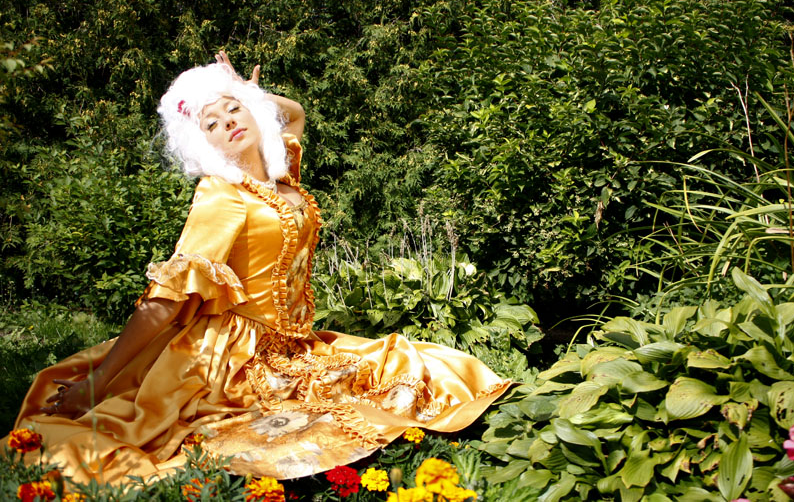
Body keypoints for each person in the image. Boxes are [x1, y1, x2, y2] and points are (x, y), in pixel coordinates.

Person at [5, 52, 511, 483]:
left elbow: (295, 113)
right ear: (202, 144)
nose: (229, 122)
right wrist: (98, 383)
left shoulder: (276, 174)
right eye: (212, 124)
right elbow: (167, 301)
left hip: (295, 342)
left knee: (415, 365)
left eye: (234, 110)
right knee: (308, 415)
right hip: (236, 355)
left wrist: (246, 90)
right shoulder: (221, 195)